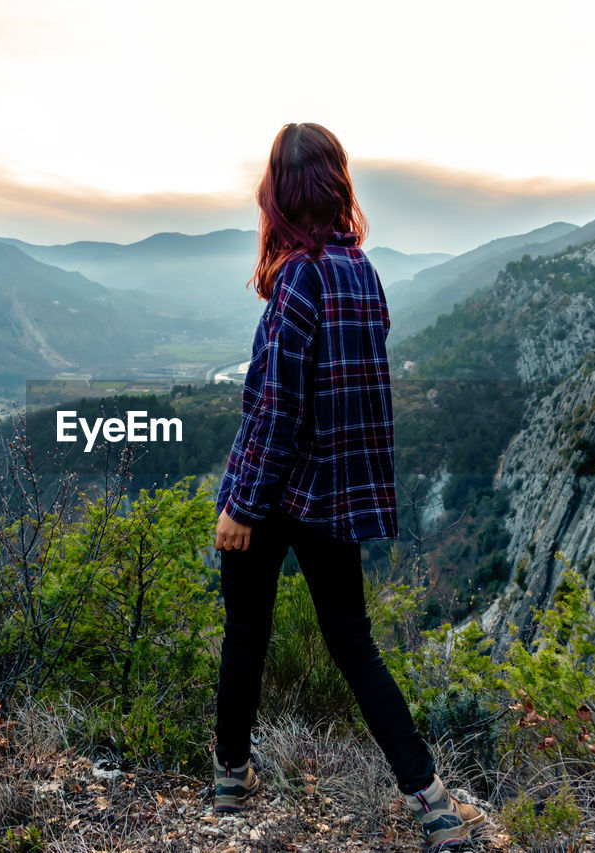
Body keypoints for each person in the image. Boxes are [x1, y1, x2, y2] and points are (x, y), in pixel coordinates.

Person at [210, 122, 487, 848]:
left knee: (246, 633)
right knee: (355, 646)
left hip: (275, 491)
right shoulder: (363, 273)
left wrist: (241, 505)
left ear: (280, 194)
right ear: (335, 185)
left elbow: (276, 408)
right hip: (334, 496)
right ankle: (430, 799)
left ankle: (231, 777)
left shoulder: (299, 278)